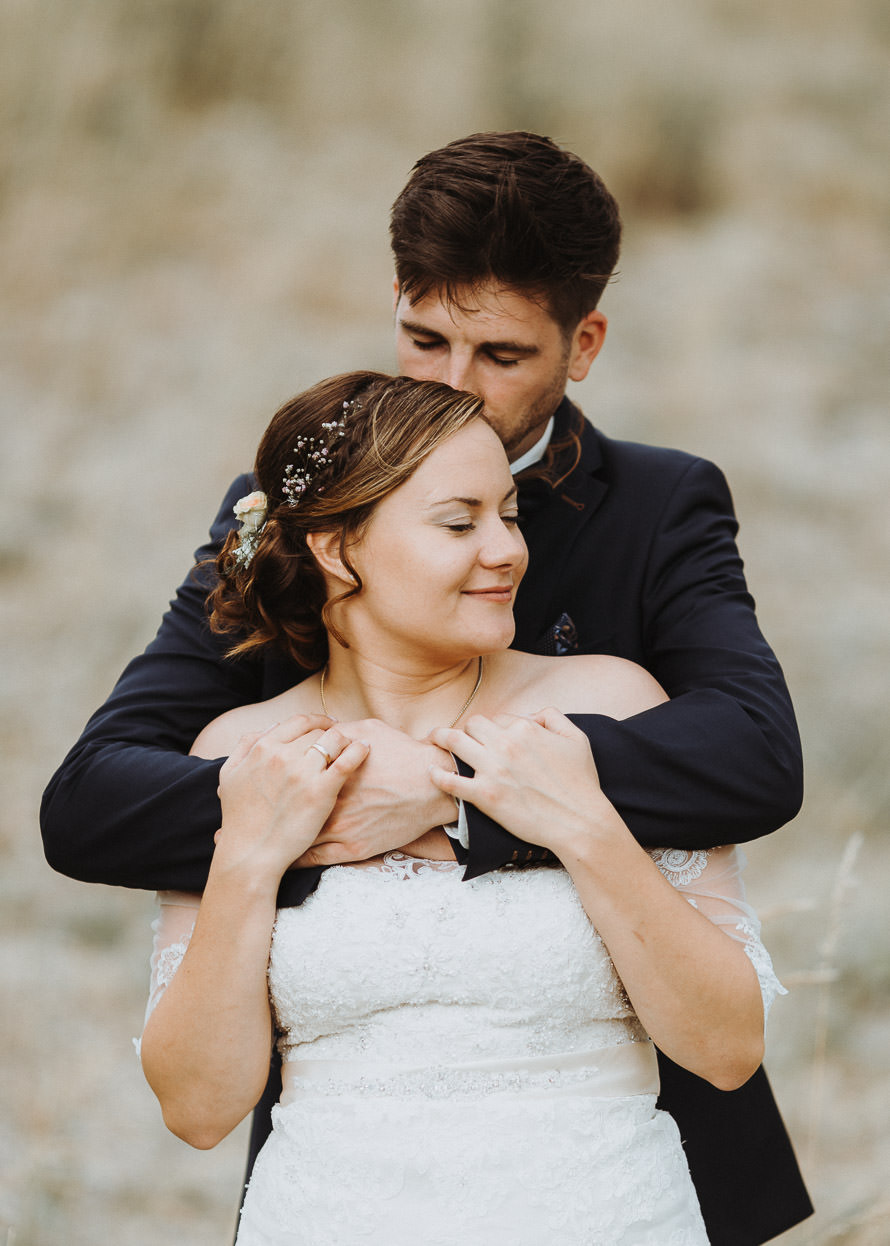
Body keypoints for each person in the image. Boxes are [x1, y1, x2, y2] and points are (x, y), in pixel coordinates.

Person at [41, 132, 811, 1244]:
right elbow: (94, 800)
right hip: (347, 1145)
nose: (452, 385)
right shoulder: (289, 509)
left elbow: (751, 756)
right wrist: (325, 802)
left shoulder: (657, 508)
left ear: (580, 342)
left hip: (614, 1131)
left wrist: (464, 796)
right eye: (422, 338)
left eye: (499, 353)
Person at [139, 370, 782, 1245]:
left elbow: (727, 1047)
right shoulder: (243, 754)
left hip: (605, 1215)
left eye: (509, 515)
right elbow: (199, 1110)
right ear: (337, 548)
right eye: (459, 522)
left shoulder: (611, 705)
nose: (507, 550)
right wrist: (248, 859)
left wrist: (581, 822)